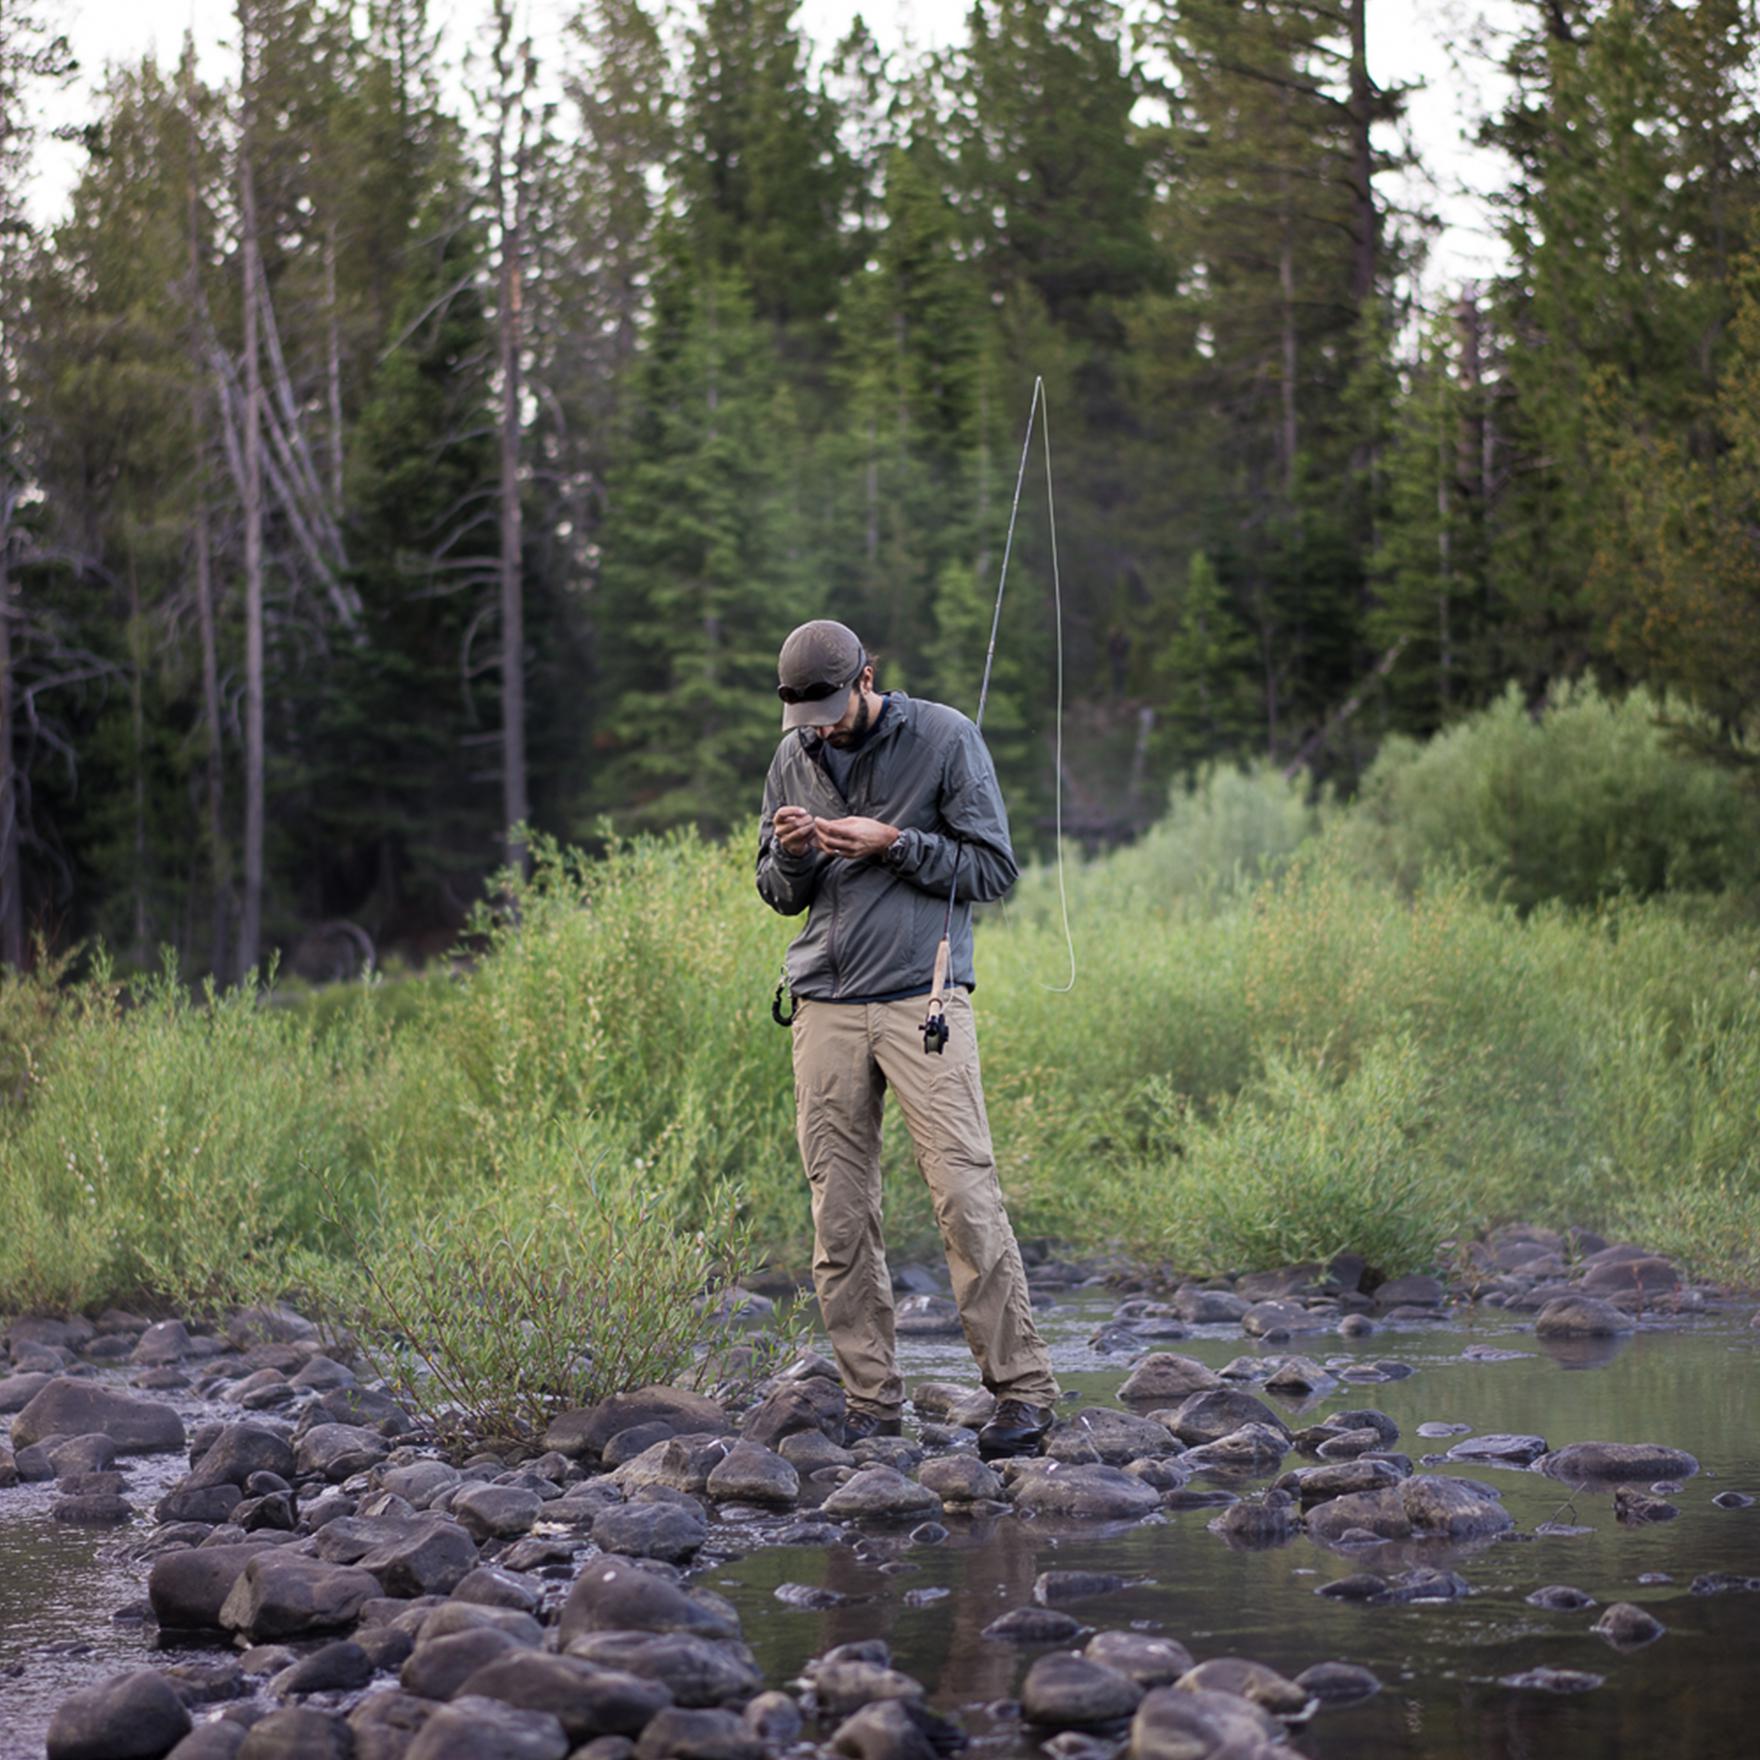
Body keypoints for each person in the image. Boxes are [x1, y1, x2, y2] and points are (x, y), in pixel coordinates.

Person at [755, 618, 1060, 1459]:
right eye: (804, 714)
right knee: (839, 1219)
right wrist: (793, 858)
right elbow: (777, 892)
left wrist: (896, 845)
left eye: (829, 706)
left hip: (923, 998)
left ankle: (1023, 1392)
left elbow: (993, 869)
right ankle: (870, 1402)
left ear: (866, 677)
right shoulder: (791, 755)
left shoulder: (944, 737)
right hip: (821, 1002)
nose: (818, 726)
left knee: (965, 1197)